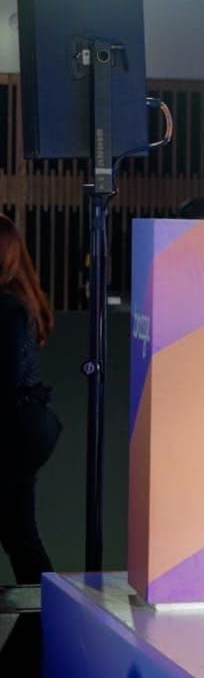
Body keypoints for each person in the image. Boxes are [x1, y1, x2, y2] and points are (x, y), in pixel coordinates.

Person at [0, 215, 62, 585]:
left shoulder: (7, 308)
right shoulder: (17, 304)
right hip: (23, 430)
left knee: (20, 534)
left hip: (12, 431)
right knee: (19, 533)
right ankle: (44, 626)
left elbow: (5, 382)